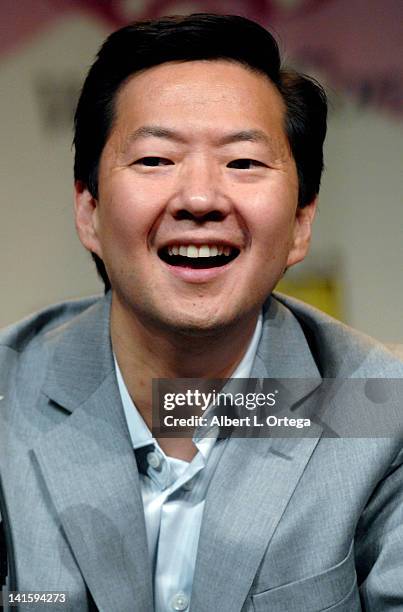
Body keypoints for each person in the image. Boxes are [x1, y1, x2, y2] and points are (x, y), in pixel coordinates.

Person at [0, 13, 402, 612]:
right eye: (155, 160)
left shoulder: (379, 411)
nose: (199, 199)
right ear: (89, 211)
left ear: (299, 224)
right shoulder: (9, 395)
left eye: (243, 163)